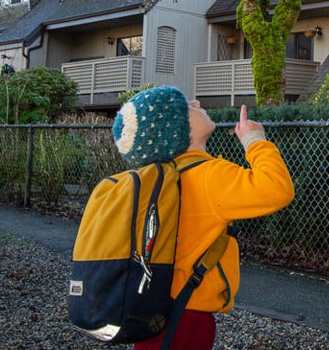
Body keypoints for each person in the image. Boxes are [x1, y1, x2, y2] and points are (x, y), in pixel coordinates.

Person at [111, 86, 295, 350]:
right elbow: (277, 189)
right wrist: (255, 141)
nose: (197, 101)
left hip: (150, 307)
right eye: (187, 105)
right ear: (177, 130)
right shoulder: (209, 176)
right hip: (186, 316)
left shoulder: (158, 178)